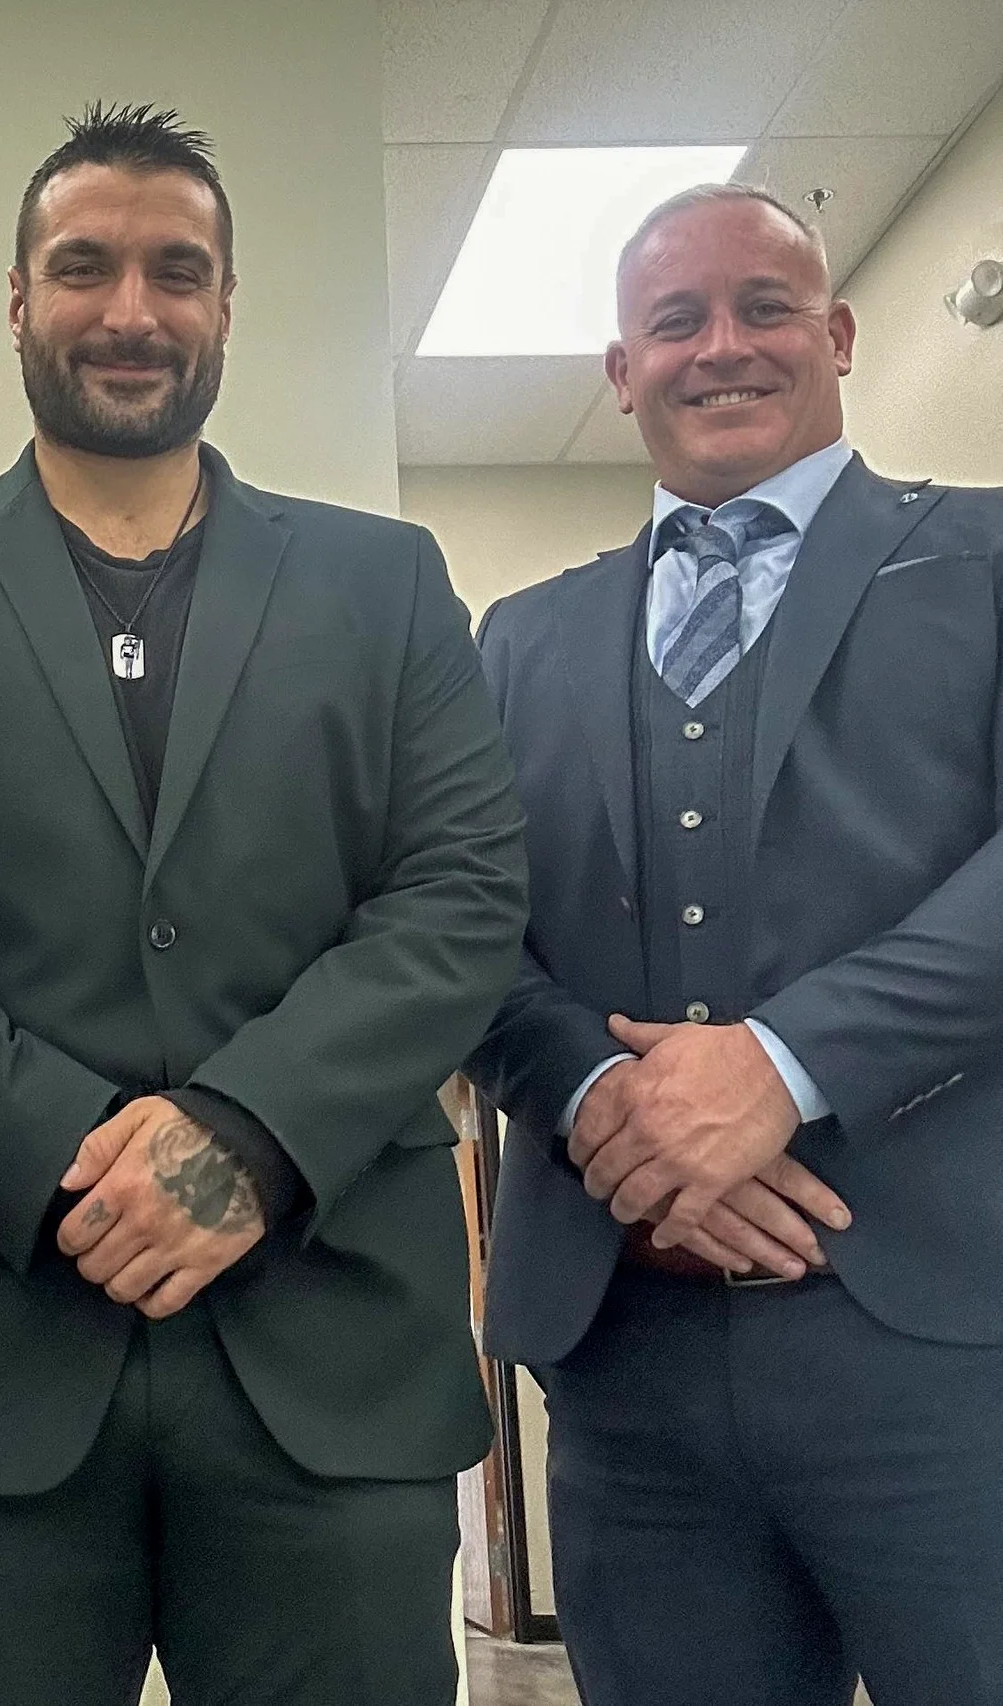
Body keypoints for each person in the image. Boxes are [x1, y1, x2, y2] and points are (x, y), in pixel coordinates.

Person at [0, 103, 529, 1706]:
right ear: (17, 300)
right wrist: (64, 1154)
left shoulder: (386, 588)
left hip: (332, 1357)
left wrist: (240, 1138)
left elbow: (459, 897)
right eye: (83, 266)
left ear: (227, 305)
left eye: (179, 270)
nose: (130, 308)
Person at [467, 183, 1003, 1706]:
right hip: (627, 1353)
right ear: (621, 371)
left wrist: (782, 1064)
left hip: (942, 1336)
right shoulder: (517, 639)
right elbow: (453, 929)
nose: (724, 347)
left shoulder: (986, 557)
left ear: (836, 335)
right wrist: (605, 1104)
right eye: (675, 320)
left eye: (764, 306)